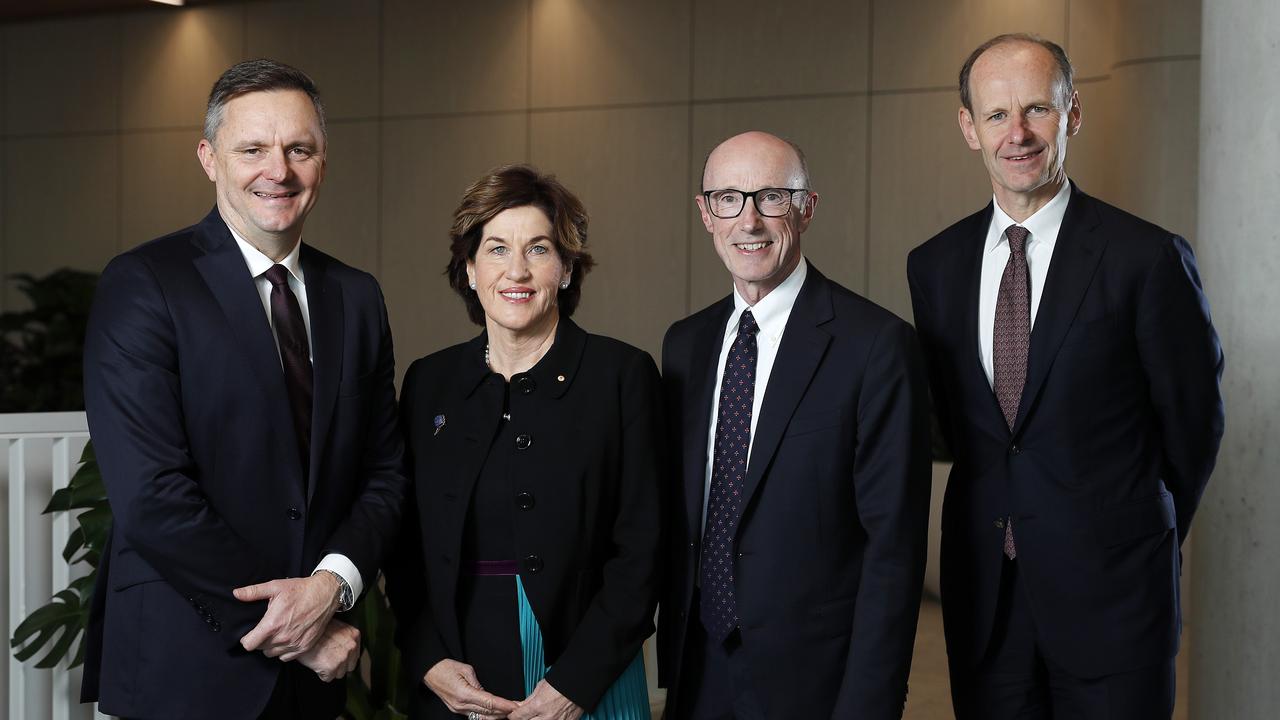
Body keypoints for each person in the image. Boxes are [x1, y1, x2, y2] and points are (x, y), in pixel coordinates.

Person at [907, 34, 1225, 719]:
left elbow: (1193, 427)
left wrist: (1135, 534)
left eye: (1036, 111)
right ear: (968, 127)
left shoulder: (1146, 258)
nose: (1016, 134)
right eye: (996, 116)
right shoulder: (934, 266)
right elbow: (962, 427)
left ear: (1072, 114)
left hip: (1116, 600)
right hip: (987, 602)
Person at [81, 59, 406, 719]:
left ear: (322, 161)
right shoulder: (144, 283)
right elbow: (152, 495)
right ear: (209, 158)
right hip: (186, 667)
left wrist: (330, 588)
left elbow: (386, 472)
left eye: (299, 150)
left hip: (312, 681)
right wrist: (294, 628)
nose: (277, 170)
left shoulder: (357, 297)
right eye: (252, 149)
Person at [658, 131, 932, 719]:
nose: (749, 220)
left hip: (816, 683)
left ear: (806, 208)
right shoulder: (685, 345)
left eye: (772, 198)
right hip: (696, 668)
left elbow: (894, 551)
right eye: (728, 198)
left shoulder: (875, 346)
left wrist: (868, 704)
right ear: (705, 214)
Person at [386, 164, 663, 720]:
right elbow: (403, 544)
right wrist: (428, 658)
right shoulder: (428, 383)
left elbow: (643, 553)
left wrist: (573, 687)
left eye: (538, 249)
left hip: (586, 670)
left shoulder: (621, 376)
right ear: (468, 268)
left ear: (565, 269)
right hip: (455, 672)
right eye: (495, 249)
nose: (517, 270)